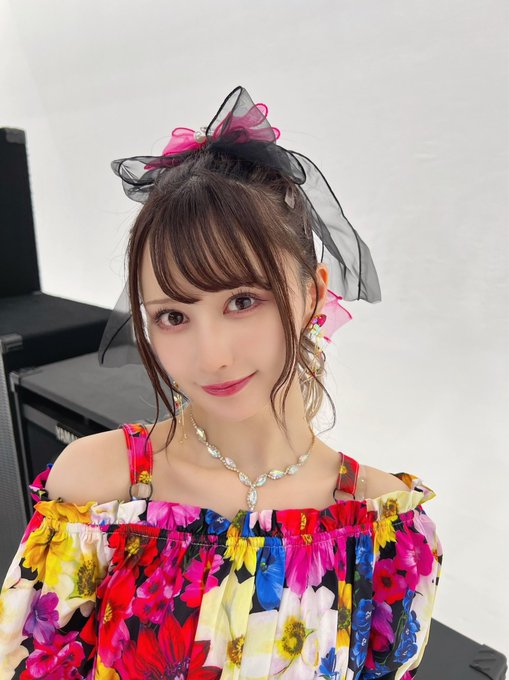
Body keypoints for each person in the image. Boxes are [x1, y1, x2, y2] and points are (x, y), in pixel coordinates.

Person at [0, 86, 443, 679]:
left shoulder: (388, 531)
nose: (211, 356)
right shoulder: (95, 492)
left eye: (242, 300)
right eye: (172, 316)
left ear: (313, 294)